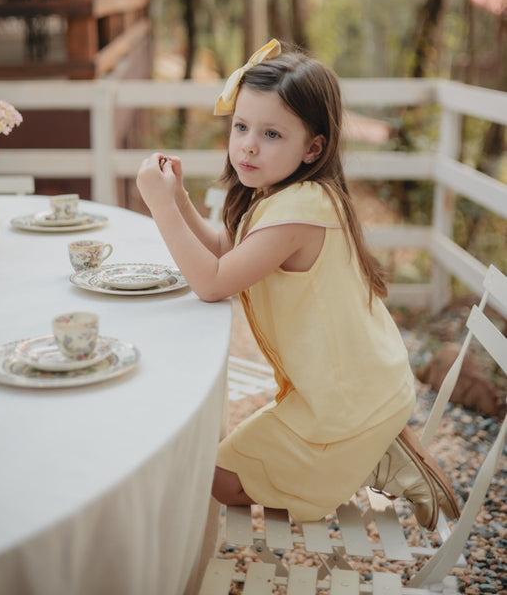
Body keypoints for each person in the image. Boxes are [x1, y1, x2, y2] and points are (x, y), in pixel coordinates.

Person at [136, 39, 459, 529]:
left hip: (348, 396)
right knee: (224, 475)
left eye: (270, 134)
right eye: (241, 126)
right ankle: (363, 451)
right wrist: (178, 198)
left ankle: (367, 448)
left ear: (313, 148)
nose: (247, 144)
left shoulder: (304, 208)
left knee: (219, 480)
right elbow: (226, 251)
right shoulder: (278, 196)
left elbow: (213, 282)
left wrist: (158, 207)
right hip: (332, 387)